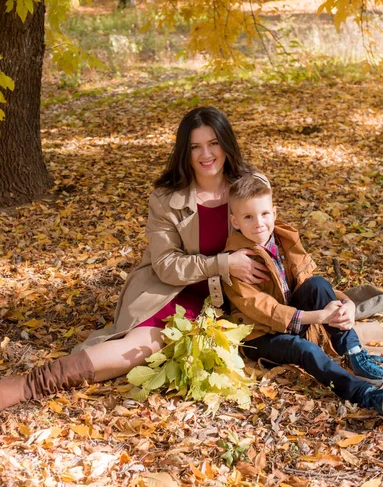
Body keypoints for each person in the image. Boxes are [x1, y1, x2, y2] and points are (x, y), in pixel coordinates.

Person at [0, 106, 270, 410]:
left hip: (234, 296)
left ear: (226, 142)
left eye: (213, 143)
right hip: (174, 291)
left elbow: (275, 245)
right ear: (185, 151)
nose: (205, 154)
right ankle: (29, 384)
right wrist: (224, 264)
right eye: (195, 146)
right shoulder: (167, 199)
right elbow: (166, 266)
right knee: (135, 351)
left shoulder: (252, 185)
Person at [223, 173, 383, 422]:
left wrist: (347, 302)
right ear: (235, 221)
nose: (259, 223)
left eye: (264, 214)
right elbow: (263, 309)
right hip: (261, 336)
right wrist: (317, 316)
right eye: (248, 217)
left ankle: (355, 356)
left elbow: (310, 280)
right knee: (304, 349)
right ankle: (367, 394)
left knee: (317, 284)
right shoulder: (236, 259)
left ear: (274, 212)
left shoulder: (283, 240)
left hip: (294, 317)